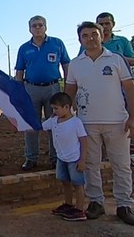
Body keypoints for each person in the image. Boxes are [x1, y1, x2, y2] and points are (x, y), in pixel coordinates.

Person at [65, 21, 134, 226]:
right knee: (90, 165)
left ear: (102, 35)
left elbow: (130, 91)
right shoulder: (75, 64)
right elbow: (69, 91)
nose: (90, 38)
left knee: (122, 166)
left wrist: (133, 118)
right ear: (80, 40)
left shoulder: (116, 60)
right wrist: (66, 118)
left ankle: (124, 205)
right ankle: (96, 203)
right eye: (85, 35)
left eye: (94, 34)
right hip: (87, 123)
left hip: (117, 122)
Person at [15, 15, 70, 171]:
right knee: (31, 125)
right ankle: (31, 158)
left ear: (46, 27)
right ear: (29, 29)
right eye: (34, 26)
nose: (37, 28)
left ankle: (55, 157)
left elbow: (66, 65)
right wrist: (19, 92)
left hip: (53, 88)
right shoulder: (24, 48)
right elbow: (19, 70)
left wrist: (67, 87)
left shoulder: (57, 43)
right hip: (31, 89)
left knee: (55, 123)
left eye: (40, 25)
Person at [43, 92, 88, 221]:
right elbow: (40, 127)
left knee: (77, 184)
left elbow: (84, 141)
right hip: (61, 158)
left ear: (67, 107)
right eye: (53, 108)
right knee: (65, 181)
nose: (54, 111)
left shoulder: (76, 123)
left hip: (74, 159)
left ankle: (80, 210)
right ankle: (68, 204)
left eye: (56, 108)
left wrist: (82, 160)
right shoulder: (53, 121)